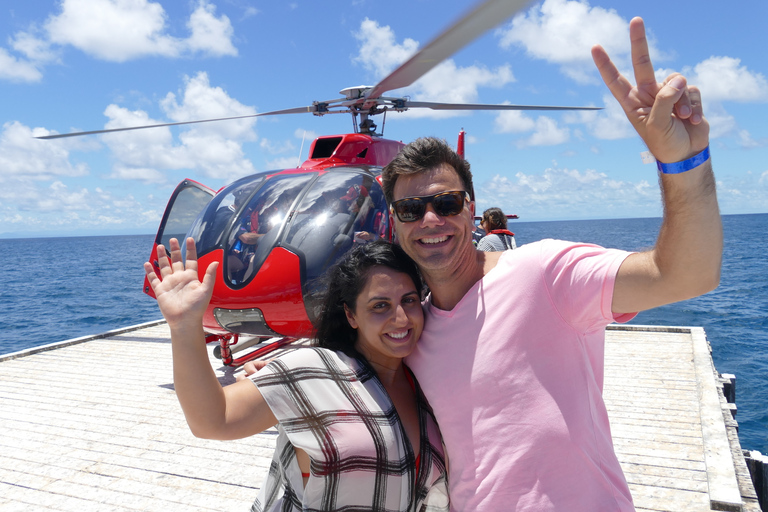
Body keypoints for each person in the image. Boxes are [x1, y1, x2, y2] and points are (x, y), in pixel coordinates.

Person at [379, 17, 721, 512]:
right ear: (394, 222)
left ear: (472, 208)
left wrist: (684, 165)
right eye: (411, 210)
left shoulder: (545, 272)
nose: (430, 219)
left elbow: (686, 276)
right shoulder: (411, 328)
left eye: (447, 204)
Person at [144, 238, 449, 512]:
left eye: (408, 300)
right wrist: (185, 327)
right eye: (380, 306)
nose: (400, 318)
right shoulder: (313, 370)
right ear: (351, 315)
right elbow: (214, 419)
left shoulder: (424, 382)